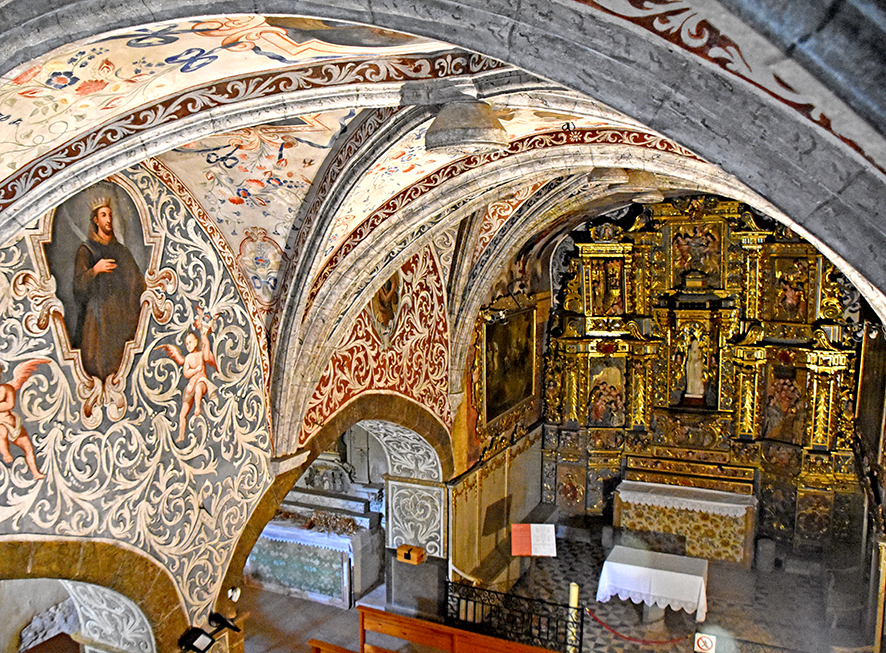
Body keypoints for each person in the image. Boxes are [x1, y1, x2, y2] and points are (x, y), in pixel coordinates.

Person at [72, 197, 146, 380]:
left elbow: (137, 281)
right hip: (97, 318)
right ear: (96, 220)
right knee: (96, 358)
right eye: (103, 215)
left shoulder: (121, 251)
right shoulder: (86, 250)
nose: (108, 220)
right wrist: (95, 270)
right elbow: (78, 286)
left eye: (110, 215)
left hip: (121, 315)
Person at [160, 315, 217, 442]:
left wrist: (205, 331)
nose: (188, 345)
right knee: (182, 414)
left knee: (198, 388)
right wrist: (195, 370)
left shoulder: (201, 354)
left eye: (190, 342)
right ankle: (181, 435)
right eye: (186, 344)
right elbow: (186, 373)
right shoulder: (188, 358)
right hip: (190, 385)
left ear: (196, 342)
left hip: (201, 383)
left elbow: (207, 352)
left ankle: (197, 407)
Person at [0, 359, 49, 480]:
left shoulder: (7, 388)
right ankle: (5, 452)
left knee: (28, 447)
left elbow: (9, 405)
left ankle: (35, 473)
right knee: (2, 432)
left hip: (12, 424)